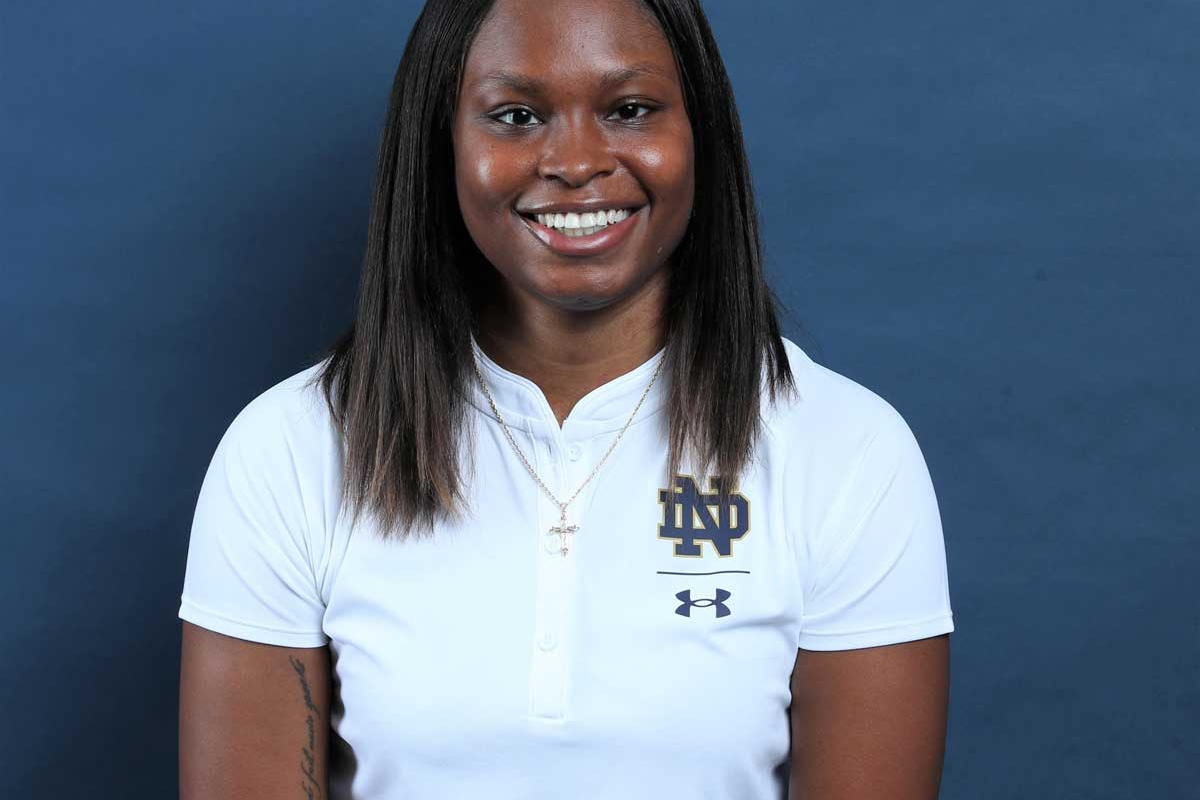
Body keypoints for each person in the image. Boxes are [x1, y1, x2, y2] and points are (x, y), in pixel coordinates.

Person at [177, 0, 956, 797]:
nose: (577, 162)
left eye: (631, 109)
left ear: (701, 134)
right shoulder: (291, 449)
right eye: (516, 116)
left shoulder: (846, 451)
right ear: (441, 142)